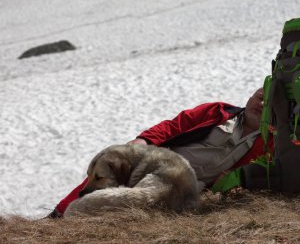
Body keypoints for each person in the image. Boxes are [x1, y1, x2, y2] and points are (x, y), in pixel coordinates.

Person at [47, 88, 273, 218]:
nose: (260, 104)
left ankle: (79, 219)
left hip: (186, 186)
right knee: (112, 163)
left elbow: (256, 175)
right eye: (258, 97)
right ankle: (58, 214)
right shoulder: (218, 111)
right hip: (160, 162)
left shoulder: (269, 143)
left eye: (267, 102)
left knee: (124, 203)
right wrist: (144, 140)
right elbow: (175, 125)